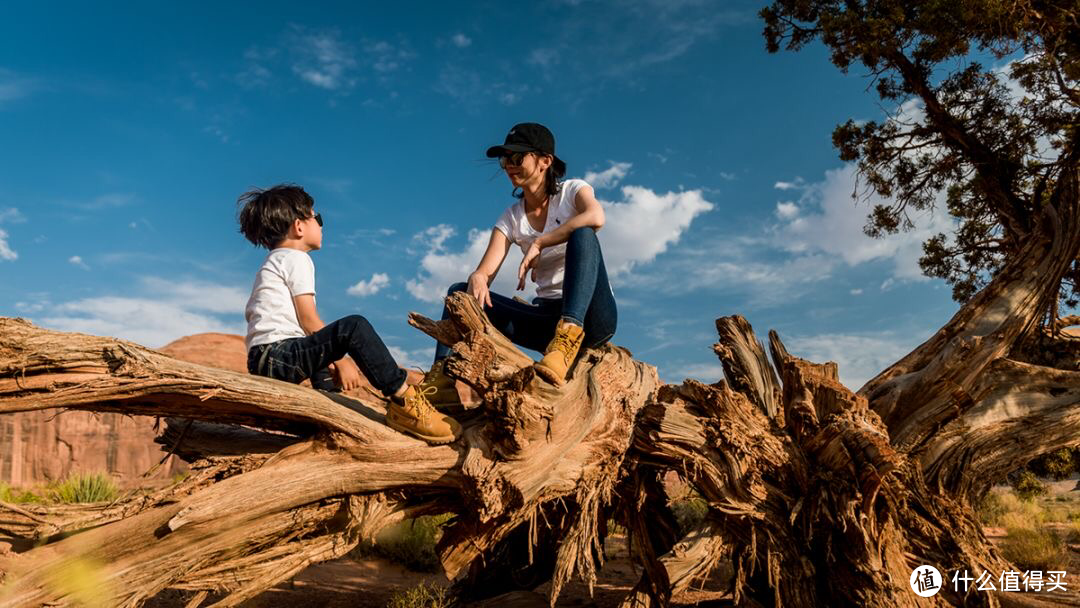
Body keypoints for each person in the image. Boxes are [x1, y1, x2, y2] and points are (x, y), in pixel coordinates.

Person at [237, 184, 460, 444]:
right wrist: (341, 359)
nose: (321, 225)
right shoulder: (295, 259)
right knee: (353, 327)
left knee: (318, 351)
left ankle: (331, 408)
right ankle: (404, 402)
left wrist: (328, 356)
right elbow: (309, 320)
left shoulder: (275, 261)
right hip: (278, 355)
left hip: (265, 358)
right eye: (317, 218)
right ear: (299, 227)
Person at [425, 123, 617, 400]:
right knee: (459, 292)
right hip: (545, 321)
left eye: (517, 158)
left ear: (545, 161)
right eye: (505, 160)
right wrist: (477, 277)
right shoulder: (511, 217)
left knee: (583, 234)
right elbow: (485, 271)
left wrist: (541, 242)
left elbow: (596, 216)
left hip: (592, 317)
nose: (508, 166)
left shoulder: (573, 191)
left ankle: (568, 338)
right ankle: (441, 381)